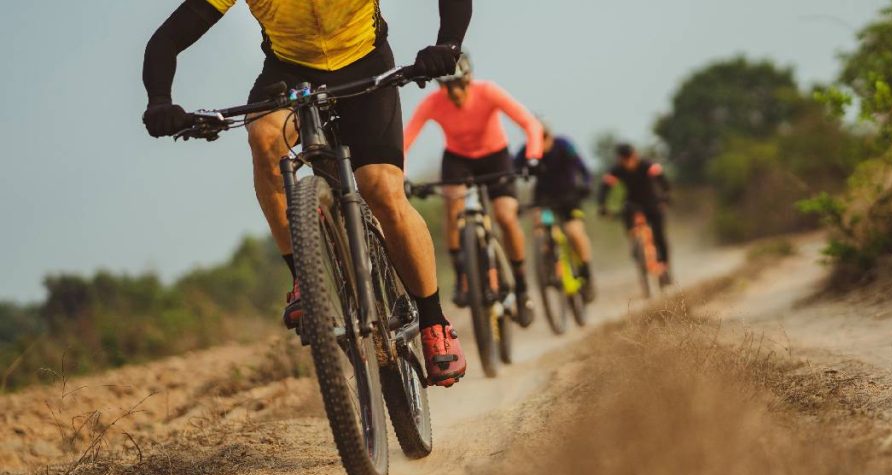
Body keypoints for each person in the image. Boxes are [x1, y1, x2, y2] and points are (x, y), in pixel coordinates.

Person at [140, 0, 472, 388]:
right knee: (264, 139)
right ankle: (305, 282)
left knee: (381, 187)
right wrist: (159, 101)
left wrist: (448, 43)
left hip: (365, 61)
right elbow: (166, 40)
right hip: (290, 73)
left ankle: (434, 322)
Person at [404, 53, 543, 327]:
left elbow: (530, 124)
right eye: (446, 86)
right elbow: (405, 140)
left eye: (458, 84)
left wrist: (533, 156)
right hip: (458, 159)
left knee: (505, 216)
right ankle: (461, 276)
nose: (453, 92)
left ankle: (522, 286)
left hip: (495, 156)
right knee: (453, 205)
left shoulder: (488, 91)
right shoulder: (432, 103)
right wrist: (403, 175)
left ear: (469, 79)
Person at [515, 126, 596, 302]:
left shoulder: (563, 145)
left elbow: (582, 167)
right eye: (534, 138)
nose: (540, 142)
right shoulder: (527, 151)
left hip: (569, 197)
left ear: (549, 135)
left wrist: (587, 184)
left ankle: (586, 274)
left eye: (543, 136)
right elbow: (512, 172)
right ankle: (548, 263)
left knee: (574, 232)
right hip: (544, 199)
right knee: (539, 228)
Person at [597, 143, 673, 284]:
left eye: (629, 157)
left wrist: (665, 197)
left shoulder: (647, 165)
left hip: (652, 202)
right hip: (631, 205)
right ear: (619, 159)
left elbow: (662, 179)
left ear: (635, 155)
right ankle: (636, 248)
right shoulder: (616, 170)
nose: (628, 162)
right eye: (624, 159)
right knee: (629, 225)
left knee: (659, 236)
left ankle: (665, 268)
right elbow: (604, 187)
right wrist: (602, 205)